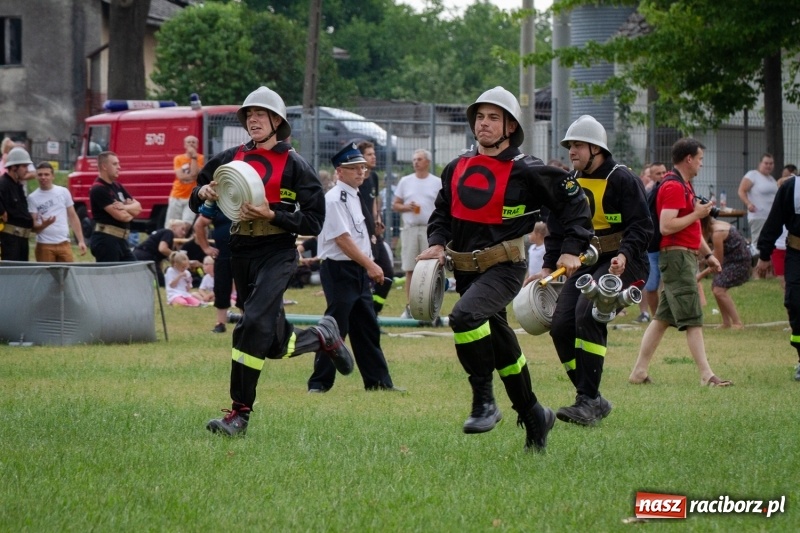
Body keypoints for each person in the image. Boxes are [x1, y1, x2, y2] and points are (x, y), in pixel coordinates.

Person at [418, 86, 593, 452]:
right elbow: (441, 214)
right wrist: (436, 243)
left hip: (505, 267)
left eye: (493, 118)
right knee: (503, 349)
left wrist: (570, 249)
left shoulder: (527, 170)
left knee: (464, 317)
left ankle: (484, 401)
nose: (484, 123)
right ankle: (534, 415)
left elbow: (575, 203)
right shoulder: (456, 168)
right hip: (465, 271)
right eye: (480, 117)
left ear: (510, 126)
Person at [190, 86, 354, 437]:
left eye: (260, 114)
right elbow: (198, 195)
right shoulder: (229, 158)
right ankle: (324, 335)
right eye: (249, 114)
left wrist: (273, 213)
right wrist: (201, 192)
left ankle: (239, 413)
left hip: (278, 252)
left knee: (250, 325)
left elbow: (314, 221)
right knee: (275, 343)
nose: (253, 119)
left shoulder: (296, 165)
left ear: (277, 121)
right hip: (240, 251)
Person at [532, 114, 652, 426]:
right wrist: (547, 265)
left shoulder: (623, 179)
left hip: (626, 262)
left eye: (578, 146)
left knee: (587, 314)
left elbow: (642, 227)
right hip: (589, 263)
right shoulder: (569, 184)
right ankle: (591, 398)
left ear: (596, 149)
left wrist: (624, 254)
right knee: (560, 326)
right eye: (569, 146)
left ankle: (586, 400)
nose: (571, 151)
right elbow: (557, 230)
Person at [629, 138, 732, 387]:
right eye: (699, 159)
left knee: (662, 319)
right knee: (693, 317)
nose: (700, 163)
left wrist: (708, 255)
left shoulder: (684, 186)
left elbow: (692, 230)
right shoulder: (674, 187)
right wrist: (697, 213)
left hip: (683, 256)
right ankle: (707, 375)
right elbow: (666, 226)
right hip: (677, 258)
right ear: (688, 159)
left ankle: (639, 372)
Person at [307, 143, 403, 393]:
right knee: (334, 329)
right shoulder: (334, 199)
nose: (361, 172)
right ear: (340, 171)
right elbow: (342, 239)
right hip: (341, 269)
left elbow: (360, 235)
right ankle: (319, 384)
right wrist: (371, 264)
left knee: (367, 328)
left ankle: (379, 382)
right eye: (354, 168)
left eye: (362, 167)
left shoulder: (354, 195)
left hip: (357, 270)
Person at [754, 171, 800, 381]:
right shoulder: (791, 188)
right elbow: (774, 221)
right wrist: (764, 255)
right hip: (797, 255)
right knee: (796, 304)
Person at [392, 148, 442, 318]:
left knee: (432, 269)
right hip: (411, 229)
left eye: (419, 159)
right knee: (410, 269)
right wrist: (407, 207)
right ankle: (411, 307)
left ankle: (432, 305)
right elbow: (395, 204)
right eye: (414, 159)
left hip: (431, 230)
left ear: (427, 162)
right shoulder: (405, 181)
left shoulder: (437, 182)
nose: (416, 162)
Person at [356, 140, 396, 315]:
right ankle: (364, 317)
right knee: (363, 277)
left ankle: (374, 313)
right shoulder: (355, 181)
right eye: (369, 154)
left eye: (374, 154)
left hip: (374, 235)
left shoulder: (372, 177)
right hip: (360, 236)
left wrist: (377, 220)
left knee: (387, 274)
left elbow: (373, 203)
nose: (374, 157)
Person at [26, 162, 87, 262]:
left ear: (53, 176)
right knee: (47, 276)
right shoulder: (33, 198)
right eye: (40, 175)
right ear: (36, 176)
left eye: (46, 174)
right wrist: (44, 225)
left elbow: (72, 216)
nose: (43, 177)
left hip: (64, 242)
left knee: (66, 274)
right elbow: (34, 227)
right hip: (44, 244)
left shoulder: (63, 192)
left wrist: (81, 240)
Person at [698, 215, 751, 329]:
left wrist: (700, 275)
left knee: (719, 290)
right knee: (716, 287)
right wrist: (703, 260)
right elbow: (716, 253)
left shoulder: (717, 233)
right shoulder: (719, 225)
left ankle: (737, 322)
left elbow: (718, 263)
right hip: (733, 260)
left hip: (739, 263)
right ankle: (726, 322)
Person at [88, 151, 141, 262]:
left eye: (118, 164)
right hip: (106, 240)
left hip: (122, 240)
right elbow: (122, 216)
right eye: (115, 164)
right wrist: (130, 211)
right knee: (110, 277)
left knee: (134, 272)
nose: (119, 167)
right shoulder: (99, 189)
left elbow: (139, 208)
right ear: (104, 166)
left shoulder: (117, 186)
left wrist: (125, 208)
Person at [193, 209, 240, 333]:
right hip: (223, 255)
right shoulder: (217, 204)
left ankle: (246, 323)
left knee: (244, 289)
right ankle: (220, 323)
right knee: (221, 288)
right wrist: (206, 247)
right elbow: (199, 224)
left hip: (244, 254)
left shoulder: (245, 199)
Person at [636, 161, 668, 323]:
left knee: (667, 285)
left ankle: (665, 316)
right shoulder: (650, 194)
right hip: (651, 248)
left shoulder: (667, 191)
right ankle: (656, 317)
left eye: (664, 172)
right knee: (650, 286)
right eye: (658, 174)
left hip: (667, 246)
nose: (662, 176)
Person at [738, 153, 778, 260]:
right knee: (758, 243)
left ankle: (766, 270)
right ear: (760, 163)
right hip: (758, 215)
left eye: (771, 163)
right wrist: (748, 203)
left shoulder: (771, 179)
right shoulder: (753, 175)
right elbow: (741, 191)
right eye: (766, 163)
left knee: (768, 243)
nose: (768, 166)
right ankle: (756, 270)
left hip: (770, 217)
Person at [0, 147, 36, 261]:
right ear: (14, 167)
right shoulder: (3, 183)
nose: (27, 170)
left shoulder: (17, 186)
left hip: (22, 240)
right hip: (10, 241)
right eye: (24, 166)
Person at [133, 219, 188, 285]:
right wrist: (177, 256)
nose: (184, 233)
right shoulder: (168, 232)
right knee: (161, 283)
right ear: (174, 227)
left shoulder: (164, 233)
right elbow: (162, 249)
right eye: (182, 229)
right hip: (144, 257)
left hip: (139, 255)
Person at [165, 135, 204, 226]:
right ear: (184, 145)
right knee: (172, 224)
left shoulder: (201, 158)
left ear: (197, 145)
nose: (191, 144)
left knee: (187, 224)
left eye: (193, 142)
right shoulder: (178, 158)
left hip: (191, 197)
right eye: (189, 142)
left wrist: (194, 157)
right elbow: (180, 176)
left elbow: (195, 175)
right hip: (177, 195)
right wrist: (192, 177)